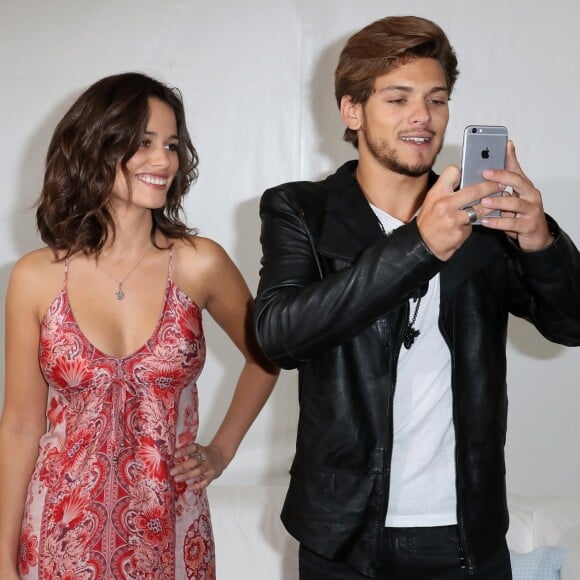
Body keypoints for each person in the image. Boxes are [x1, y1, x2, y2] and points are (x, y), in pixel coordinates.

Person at [254, 15, 580, 580]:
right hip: (342, 535)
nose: (422, 117)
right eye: (397, 98)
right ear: (351, 110)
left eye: (436, 99)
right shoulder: (301, 210)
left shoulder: (484, 220)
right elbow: (279, 336)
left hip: (467, 532)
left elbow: (571, 323)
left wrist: (540, 241)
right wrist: (420, 245)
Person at [0, 72, 278, 579]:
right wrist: (1, 559)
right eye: (143, 142)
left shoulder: (199, 264)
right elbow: (20, 425)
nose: (163, 160)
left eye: (171, 145)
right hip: (57, 539)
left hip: (170, 530)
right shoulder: (35, 277)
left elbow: (270, 352)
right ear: (94, 148)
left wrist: (220, 450)